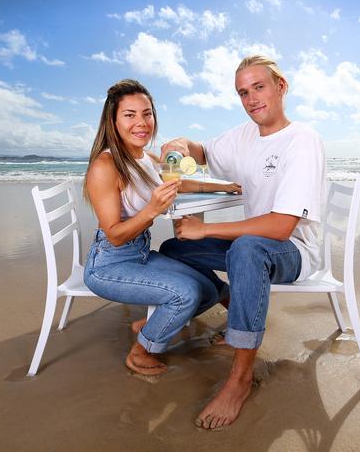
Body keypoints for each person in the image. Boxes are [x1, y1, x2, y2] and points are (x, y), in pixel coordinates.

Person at [159, 55, 325, 429]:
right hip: (254, 246)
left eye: (259, 87)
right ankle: (233, 301)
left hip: (295, 251)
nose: (251, 99)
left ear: (281, 87)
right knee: (175, 249)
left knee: (246, 248)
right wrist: (181, 144)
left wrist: (206, 229)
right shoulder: (245, 136)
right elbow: (202, 152)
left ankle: (240, 378)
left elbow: (282, 226)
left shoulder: (302, 141)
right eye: (243, 92)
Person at [82, 79, 241, 376]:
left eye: (147, 113)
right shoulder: (105, 167)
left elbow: (176, 183)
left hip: (140, 254)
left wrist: (221, 187)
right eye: (129, 115)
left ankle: (154, 323)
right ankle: (142, 351)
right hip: (109, 265)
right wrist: (151, 210)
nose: (141, 123)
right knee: (186, 293)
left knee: (212, 286)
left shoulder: (147, 157)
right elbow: (115, 236)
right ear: (113, 121)